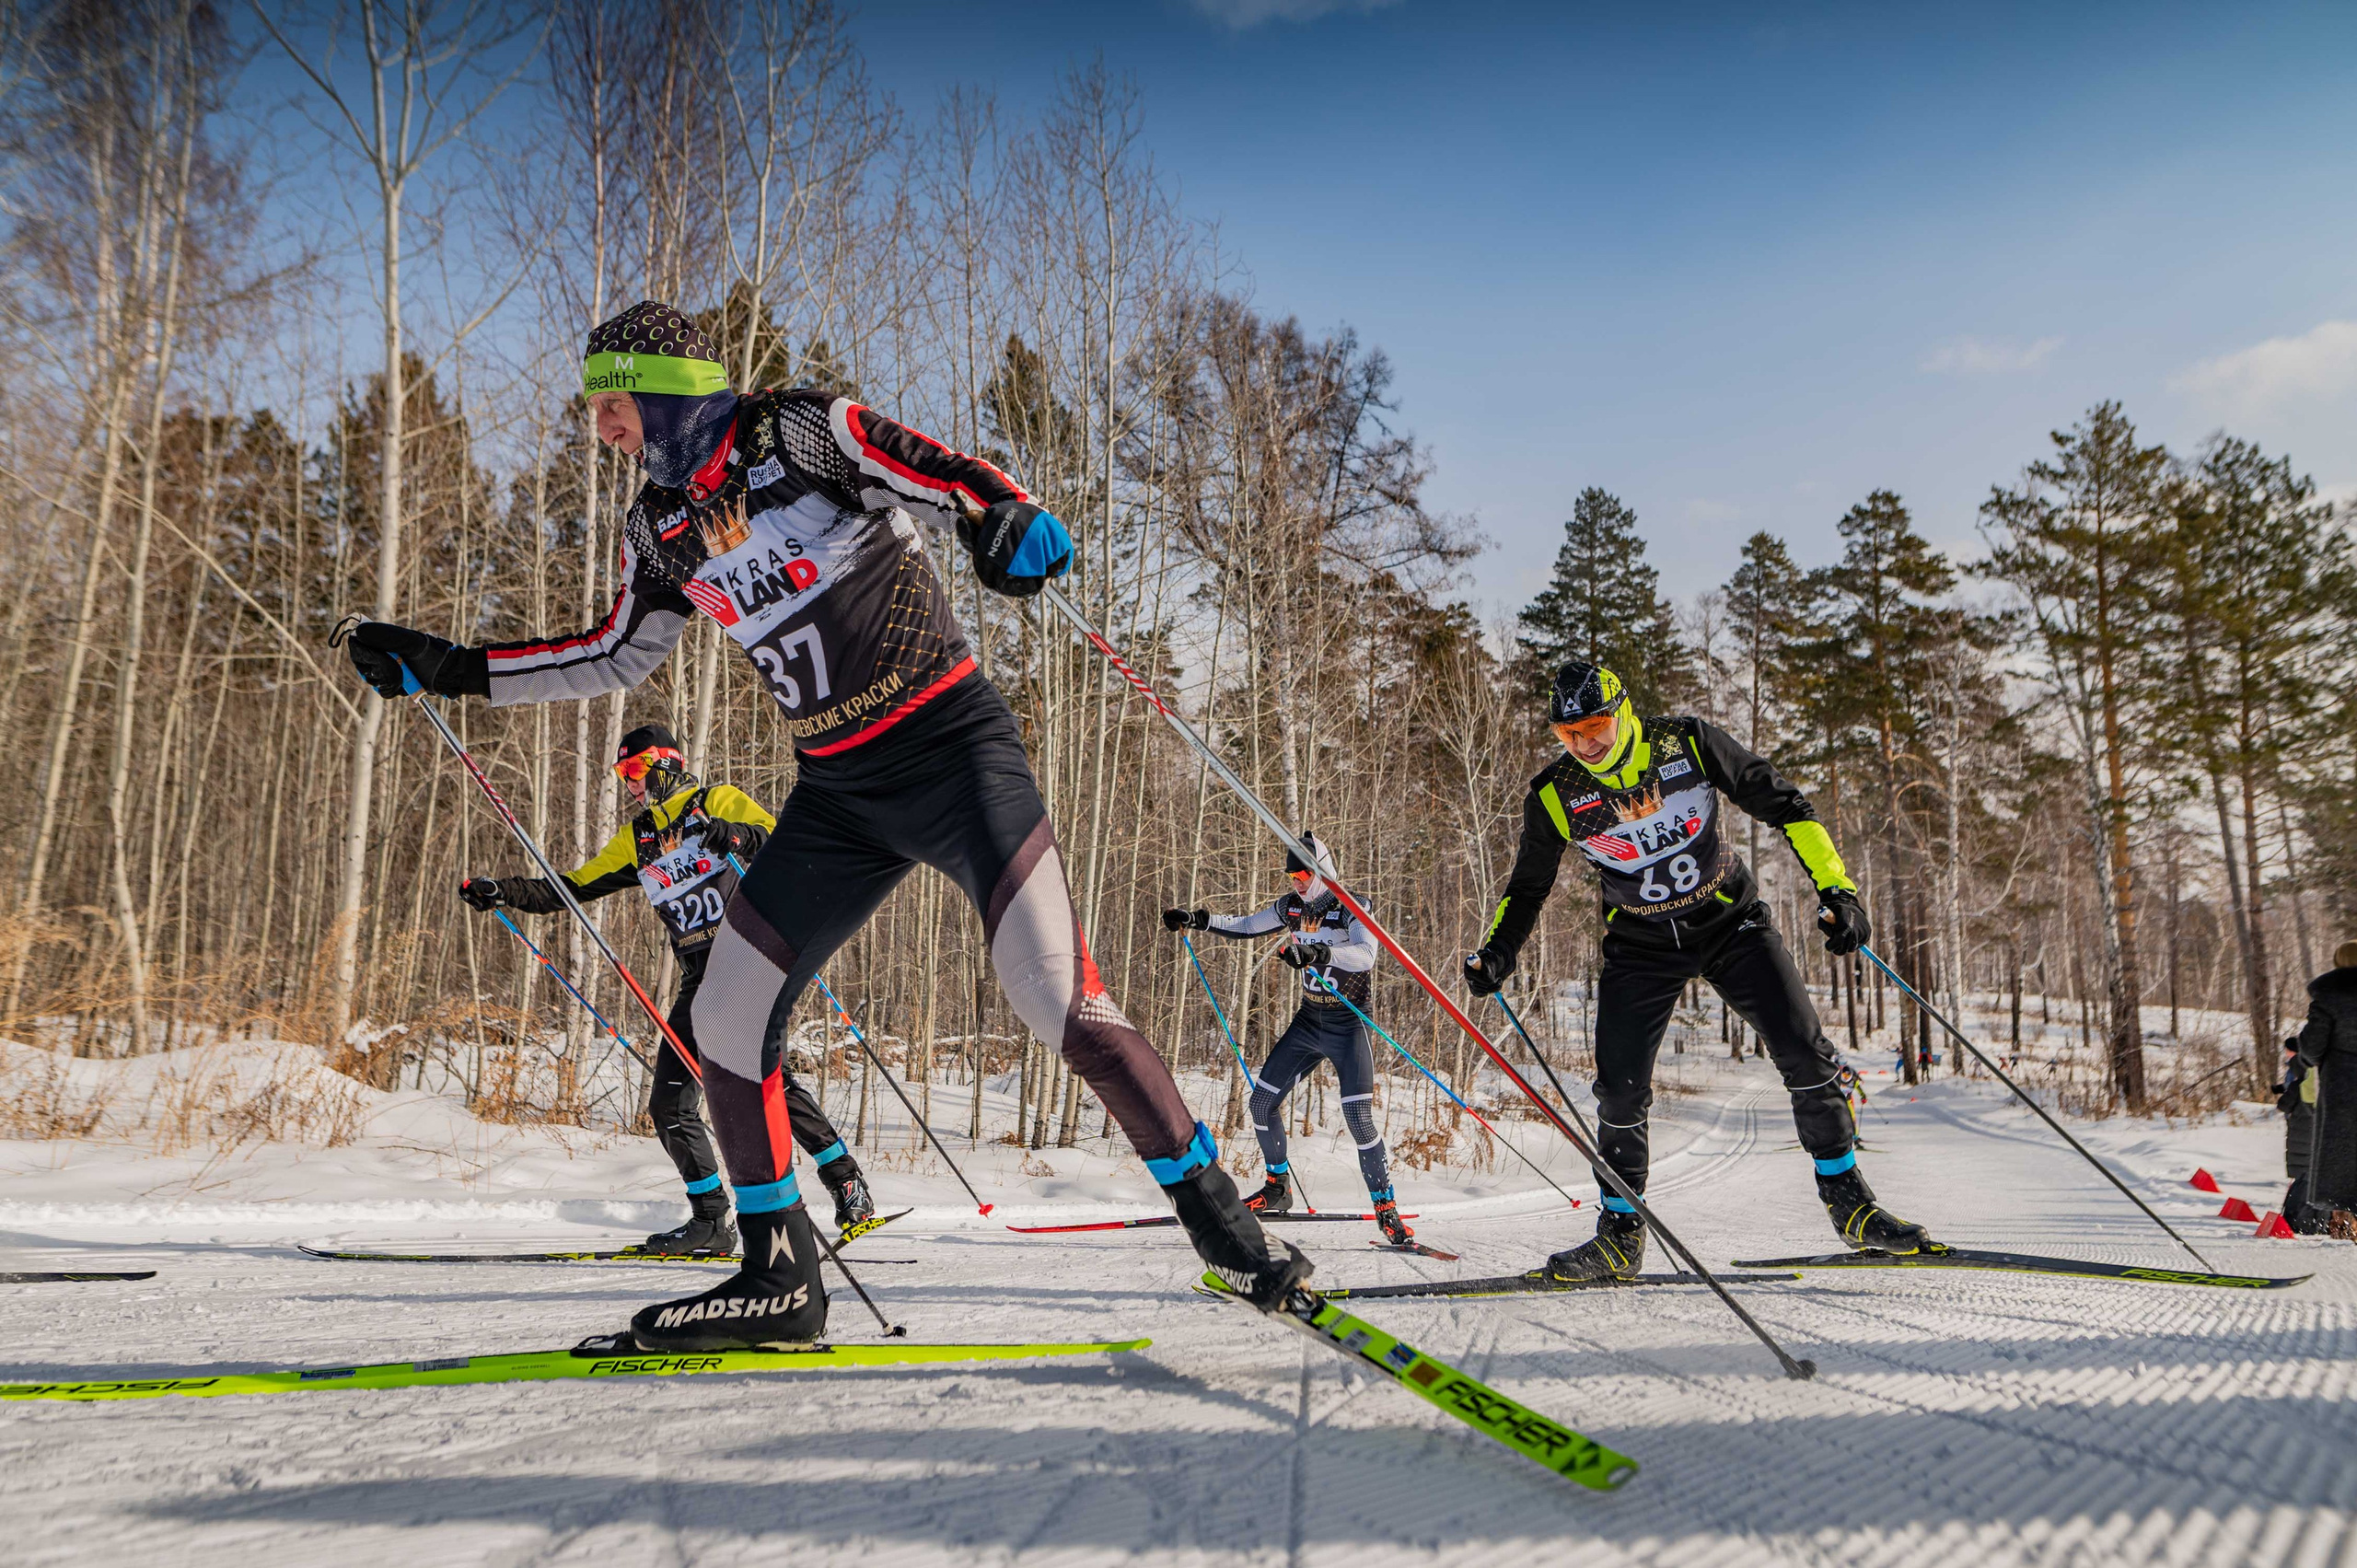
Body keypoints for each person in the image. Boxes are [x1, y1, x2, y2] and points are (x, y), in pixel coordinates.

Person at [342, 300, 1298, 1350]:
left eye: (611, 406)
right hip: (838, 796)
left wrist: (1005, 516)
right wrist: (451, 666)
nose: (601, 431)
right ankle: (777, 1273)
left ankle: (1226, 1226)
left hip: (953, 758)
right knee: (724, 1019)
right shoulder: (657, 527)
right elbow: (614, 651)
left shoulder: (797, 432)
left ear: (662, 392)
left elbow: (944, 475)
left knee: (1056, 999)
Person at [1461, 660, 1929, 1281]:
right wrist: (1499, 951)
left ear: (1623, 712)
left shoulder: (1686, 743)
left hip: (1731, 924)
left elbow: (1788, 805)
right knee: (1620, 1091)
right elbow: (1526, 889)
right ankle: (1620, 1236)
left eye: (1595, 726)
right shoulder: (1557, 793)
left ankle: (1850, 1205)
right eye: (1568, 735)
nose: (1585, 744)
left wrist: (1839, 890)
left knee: (1804, 1052)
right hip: (1640, 945)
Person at [459, 723, 877, 1257]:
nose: (629, 783)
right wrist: (506, 892)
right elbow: (572, 885)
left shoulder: (716, 800)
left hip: (749, 959)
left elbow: (788, 842)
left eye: (634, 770)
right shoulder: (639, 839)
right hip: (699, 975)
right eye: (621, 774)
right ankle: (710, 1222)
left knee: (761, 1084)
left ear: (665, 764)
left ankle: (847, 1184)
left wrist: (738, 835)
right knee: (670, 1105)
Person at [1164, 830, 1411, 1248]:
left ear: (1319, 871)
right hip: (1309, 1020)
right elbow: (1246, 926)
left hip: (1348, 1023)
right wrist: (1198, 920)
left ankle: (1385, 1207)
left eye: (1301, 873)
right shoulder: (1291, 907)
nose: (1295, 880)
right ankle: (1278, 1188)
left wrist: (1318, 954)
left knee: (1358, 1119)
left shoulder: (1353, 906)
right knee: (1261, 1103)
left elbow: (1366, 955)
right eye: (1291, 874)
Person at [2291, 939, 2357, 1239]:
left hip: (2342, 1092)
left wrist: (2305, 1054)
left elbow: (2312, 1048)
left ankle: (2341, 1225)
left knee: (2340, 1160)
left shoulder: (2328, 997)